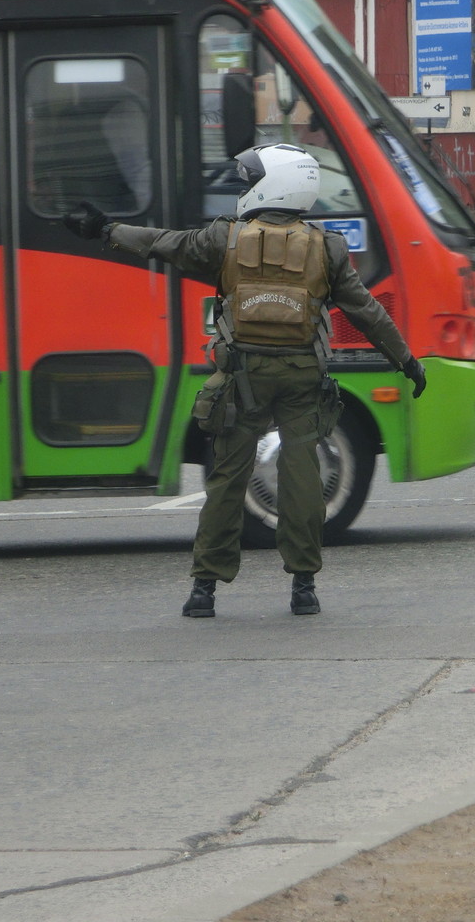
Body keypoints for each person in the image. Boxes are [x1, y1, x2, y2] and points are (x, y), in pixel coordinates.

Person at [65, 143, 426, 618]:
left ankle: (203, 592)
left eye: (249, 180)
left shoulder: (225, 240)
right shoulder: (328, 247)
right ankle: (303, 587)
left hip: (241, 380)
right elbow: (367, 312)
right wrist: (406, 360)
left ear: (269, 184)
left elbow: (161, 243)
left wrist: (106, 230)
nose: (243, 189)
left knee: (226, 482)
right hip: (301, 382)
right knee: (300, 479)